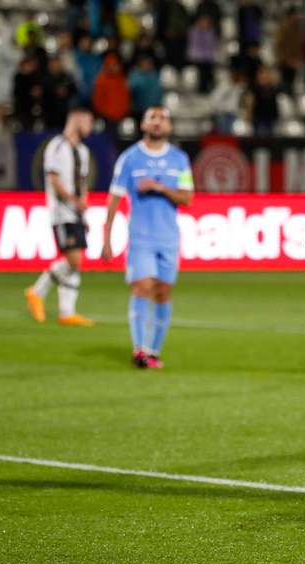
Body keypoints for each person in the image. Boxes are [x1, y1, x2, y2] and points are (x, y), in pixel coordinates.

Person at [102, 107, 194, 368]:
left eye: (163, 118)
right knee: (142, 286)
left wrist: (160, 187)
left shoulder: (180, 159)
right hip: (141, 237)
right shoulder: (129, 159)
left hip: (168, 238)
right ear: (143, 125)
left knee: (163, 292)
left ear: (170, 127)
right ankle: (139, 350)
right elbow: (114, 199)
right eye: (152, 118)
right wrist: (107, 238)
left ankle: (153, 351)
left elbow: (187, 198)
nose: (158, 122)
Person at [25, 106, 95, 326]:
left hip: (75, 213)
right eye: (88, 122)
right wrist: (75, 202)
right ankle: (37, 291)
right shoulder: (57, 146)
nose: (91, 128)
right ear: (76, 119)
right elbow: (54, 180)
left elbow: (82, 182)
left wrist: (83, 209)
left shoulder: (82, 151)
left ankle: (67, 312)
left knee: (75, 262)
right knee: (74, 259)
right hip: (61, 212)